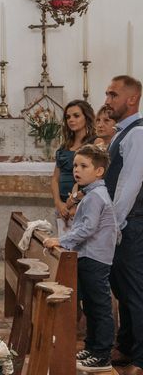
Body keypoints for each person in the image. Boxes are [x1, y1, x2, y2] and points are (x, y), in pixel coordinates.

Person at [44, 144, 117, 371]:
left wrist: (61, 241)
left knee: (99, 306)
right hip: (88, 255)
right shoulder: (90, 194)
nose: (77, 170)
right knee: (91, 306)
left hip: (96, 258)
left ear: (99, 171)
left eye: (84, 166)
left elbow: (87, 229)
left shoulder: (96, 196)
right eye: (75, 165)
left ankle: (102, 354)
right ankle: (92, 347)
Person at [103, 75, 143, 374]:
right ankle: (127, 346)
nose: (107, 100)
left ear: (132, 98)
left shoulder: (138, 134)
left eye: (113, 95)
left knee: (134, 292)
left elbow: (129, 184)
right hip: (122, 224)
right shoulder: (122, 132)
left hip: (131, 224)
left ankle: (141, 359)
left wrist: (113, 225)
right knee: (122, 290)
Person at [51, 100, 95, 233]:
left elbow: (95, 178)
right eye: (68, 117)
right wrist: (58, 203)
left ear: (86, 117)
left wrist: (74, 204)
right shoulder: (64, 146)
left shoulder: (94, 142)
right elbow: (55, 179)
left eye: (76, 116)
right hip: (62, 205)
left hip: (82, 204)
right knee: (62, 247)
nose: (71, 120)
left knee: (78, 249)